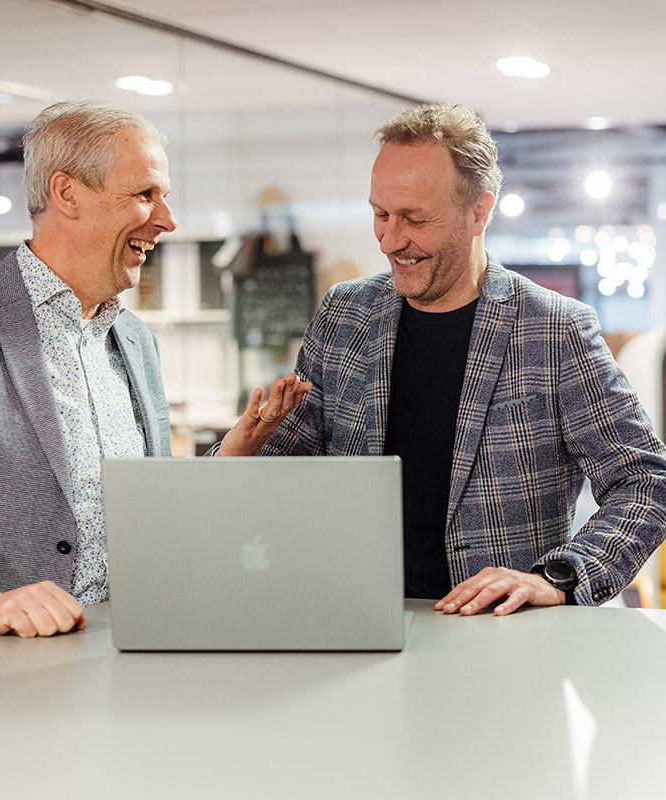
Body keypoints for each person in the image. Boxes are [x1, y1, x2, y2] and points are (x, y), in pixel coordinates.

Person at [0, 99, 307, 664]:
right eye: (145, 194)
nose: (167, 220)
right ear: (67, 193)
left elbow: (145, 515)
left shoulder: (135, 341)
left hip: (105, 668)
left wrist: (230, 455)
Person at [221, 102, 666, 616]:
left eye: (415, 219)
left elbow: (645, 481)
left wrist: (560, 577)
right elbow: (285, 474)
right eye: (380, 214)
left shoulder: (553, 329)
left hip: (501, 636)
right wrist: (239, 451)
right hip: (357, 621)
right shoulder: (345, 315)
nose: (390, 240)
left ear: (479, 212)